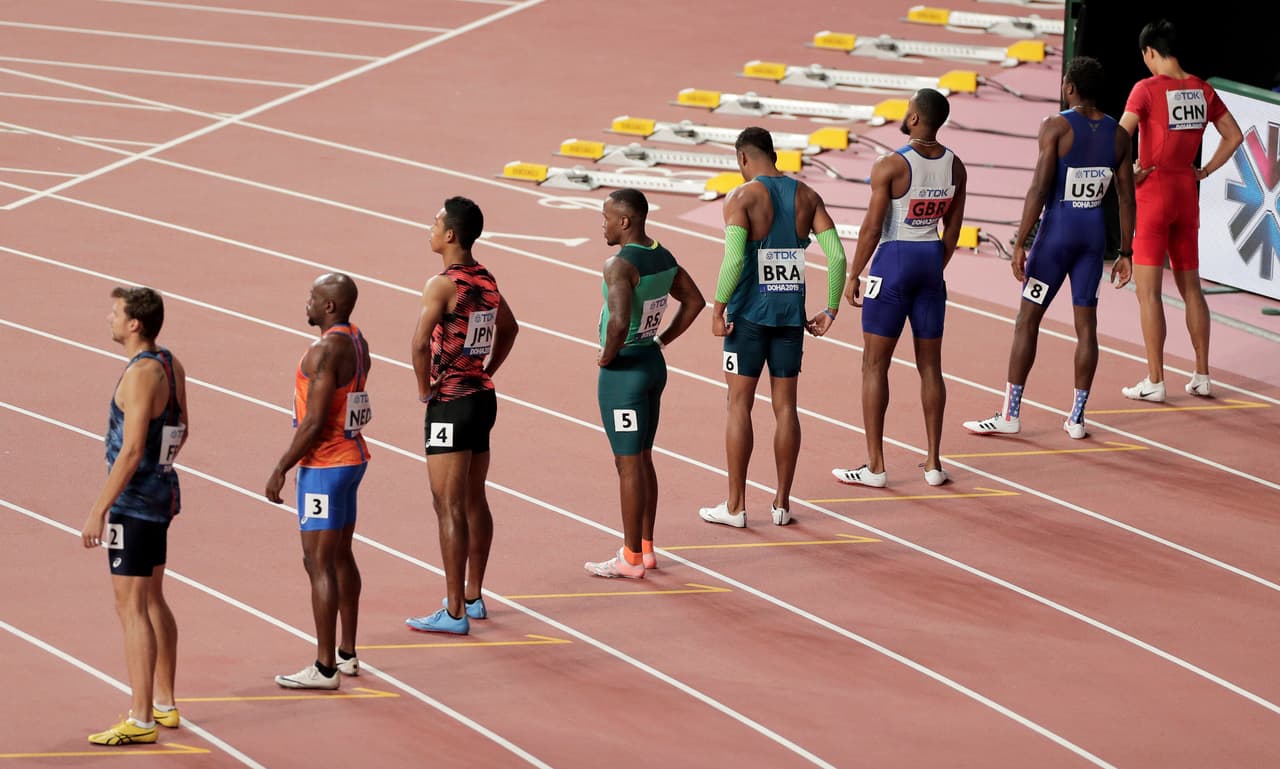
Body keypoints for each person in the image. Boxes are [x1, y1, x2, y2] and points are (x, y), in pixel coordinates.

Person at [963, 58, 1136, 440]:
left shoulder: (1055, 126)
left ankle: (1010, 413)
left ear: (1070, 87)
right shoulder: (1119, 135)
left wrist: (1021, 242)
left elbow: (1039, 189)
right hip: (1092, 241)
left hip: (1056, 237)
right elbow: (1126, 197)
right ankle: (1076, 418)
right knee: (1086, 327)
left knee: (1028, 320)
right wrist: (1126, 252)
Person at [698, 127, 847, 528]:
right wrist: (830, 309)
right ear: (772, 154)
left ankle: (735, 507)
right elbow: (836, 257)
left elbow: (732, 262)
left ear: (743, 158)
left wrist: (717, 309)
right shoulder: (807, 197)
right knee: (786, 408)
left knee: (738, 405)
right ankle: (782, 504)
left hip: (746, 318)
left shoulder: (742, 197)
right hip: (790, 318)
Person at [832, 88, 968, 487]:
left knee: (875, 365)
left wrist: (854, 273)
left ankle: (875, 466)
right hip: (929, 262)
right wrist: (932, 265)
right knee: (931, 366)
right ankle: (933, 463)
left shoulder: (889, 165)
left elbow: (873, 227)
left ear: (913, 119)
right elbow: (954, 229)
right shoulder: (956, 166)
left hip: (892, 262)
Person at [81, 286, 188, 745]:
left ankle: (140, 718)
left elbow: (129, 452)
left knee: (131, 607)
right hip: (160, 496)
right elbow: (183, 429)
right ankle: (163, 703)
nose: (108, 317)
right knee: (154, 597)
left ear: (134, 324)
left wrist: (98, 510)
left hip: (135, 504)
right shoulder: (171, 363)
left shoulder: (143, 375)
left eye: (115, 312)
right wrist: (161, 471)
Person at [407, 197, 518, 633]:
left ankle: (453, 612)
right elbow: (509, 327)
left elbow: (418, 343)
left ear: (451, 235)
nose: (430, 228)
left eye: (435, 222)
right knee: (474, 499)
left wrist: (423, 391)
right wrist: (486, 370)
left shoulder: (441, 284)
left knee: (447, 505)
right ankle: (472, 597)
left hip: (451, 402)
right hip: (482, 398)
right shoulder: (485, 278)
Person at [1118, 18, 1242, 401]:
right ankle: (1202, 375)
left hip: (1154, 195)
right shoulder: (1203, 90)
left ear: (1150, 52)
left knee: (1149, 293)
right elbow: (1233, 136)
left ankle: (1154, 381)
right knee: (1192, 288)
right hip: (1187, 194)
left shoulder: (1146, 89)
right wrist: (1203, 170)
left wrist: (1131, 171)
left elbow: (1119, 137)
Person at [584, 189, 705, 578]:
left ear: (624, 221)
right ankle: (646, 548)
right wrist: (662, 340)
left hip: (624, 374)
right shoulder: (662, 255)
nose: (601, 224)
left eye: (605, 217)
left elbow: (618, 322)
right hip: (652, 365)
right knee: (643, 457)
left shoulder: (619, 265)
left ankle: (630, 557)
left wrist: (606, 357)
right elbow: (695, 301)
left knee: (627, 463)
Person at [265, 273, 370, 690]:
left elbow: (314, 422)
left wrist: (281, 467)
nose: (305, 302)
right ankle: (347, 653)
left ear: (329, 306)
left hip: (325, 466)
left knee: (318, 562)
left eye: (312, 297)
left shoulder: (326, 352)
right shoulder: (358, 340)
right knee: (341, 556)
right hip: (351, 457)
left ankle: (325, 667)